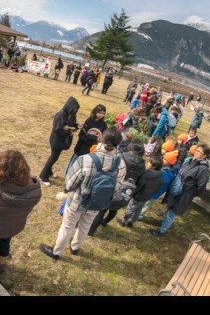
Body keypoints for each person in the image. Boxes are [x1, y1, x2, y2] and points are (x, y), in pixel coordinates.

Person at [40, 126, 126, 260]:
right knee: (85, 227)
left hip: (76, 200)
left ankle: (57, 252)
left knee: (67, 227)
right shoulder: (121, 164)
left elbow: (70, 183)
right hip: (97, 203)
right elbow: (117, 186)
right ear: (119, 143)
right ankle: (75, 247)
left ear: (101, 139)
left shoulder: (86, 159)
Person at [150, 143, 210, 237]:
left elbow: (201, 187)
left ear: (205, 155)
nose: (196, 153)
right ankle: (163, 222)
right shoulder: (190, 160)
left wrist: (188, 192)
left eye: (200, 152)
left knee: (172, 212)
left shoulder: (203, 169)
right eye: (196, 150)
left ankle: (161, 231)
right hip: (176, 189)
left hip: (183, 195)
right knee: (169, 207)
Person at [87, 139, 146, 235]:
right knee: (114, 209)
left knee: (102, 209)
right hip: (126, 190)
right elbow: (141, 180)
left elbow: (112, 168)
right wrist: (133, 191)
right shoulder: (142, 164)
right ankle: (105, 222)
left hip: (113, 184)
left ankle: (91, 230)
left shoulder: (122, 156)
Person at [39, 96, 80, 186]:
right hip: (56, 141)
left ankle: (49, 172)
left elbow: (71, 125)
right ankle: (43, 176)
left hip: (62, 142)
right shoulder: (61, 115)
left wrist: (76, 126)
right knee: (53, 157)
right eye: (74, 109)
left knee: (55, 157)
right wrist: (69, 133)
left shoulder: (72, 115)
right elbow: (57, 129)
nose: (75, 111)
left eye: (76, 109)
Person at [119, 156, 167, 227]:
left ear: (153, 167)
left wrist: (134, 193)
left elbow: (139, 185)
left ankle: (123, 221)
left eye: (149, 163)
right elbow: (157, 189)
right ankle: (131, 222)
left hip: (137, 196)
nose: (147, 163)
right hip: (146, 197)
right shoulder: (161, 178)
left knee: (131, 208)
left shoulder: (146, 174)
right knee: (138, 210)